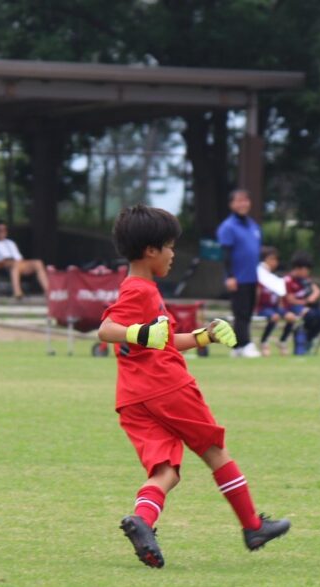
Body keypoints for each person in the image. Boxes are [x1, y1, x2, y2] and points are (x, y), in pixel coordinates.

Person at [98, 204, 290, 568]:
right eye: (170, 247)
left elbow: (165, 340)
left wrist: (205, 336)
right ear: (151, 250)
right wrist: (142, 334)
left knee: (165, 471)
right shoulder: (139, 291)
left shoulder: (141, 290)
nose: (173, 254)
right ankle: (253, 526)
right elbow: (106, 330)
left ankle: (142, 521)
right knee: (215, 451)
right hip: (168, 388)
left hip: (134, 398)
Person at [216, 189, 262, 358]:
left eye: (245, 200)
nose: (243, 204)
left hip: (252, 277)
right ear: (232, 204)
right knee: (240, 312)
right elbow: (226, 254)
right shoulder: (228, 227)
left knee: (248, 312)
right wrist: (230, 276)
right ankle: (245, 343)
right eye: (239, 200)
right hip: (238, 278)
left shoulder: (253, 225)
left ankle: (237, 346)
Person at [282, 251, 320, 355]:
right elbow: (290, 300)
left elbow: (317, 290)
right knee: (309, 316)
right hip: (293, 308)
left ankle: (308, 339)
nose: (308, 272)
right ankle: (301, 342)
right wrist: (305, 302)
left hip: (308, 307)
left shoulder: (305, 280)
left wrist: (312, 297)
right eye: (306, 270)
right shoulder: (288, 280)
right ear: (298, 268)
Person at [0, 222, 50, 299]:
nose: (2, 232)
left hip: (17, 263)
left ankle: (48, 292)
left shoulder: (10, 243)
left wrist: (22, 265)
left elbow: (19, 258)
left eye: (4, 230)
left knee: (38, 263)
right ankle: (17, 292)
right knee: (15, 264)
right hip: (2, 265)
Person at [256, 246, 290, 356]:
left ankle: (282, 341)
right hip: (263, 307)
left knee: (291, 317)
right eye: (271, 259)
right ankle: (264, 341)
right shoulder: (259, 277)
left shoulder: (274, 278)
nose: (274, 262)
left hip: (274, 308)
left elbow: (280, 296)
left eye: (276, 259)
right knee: (274, 317)